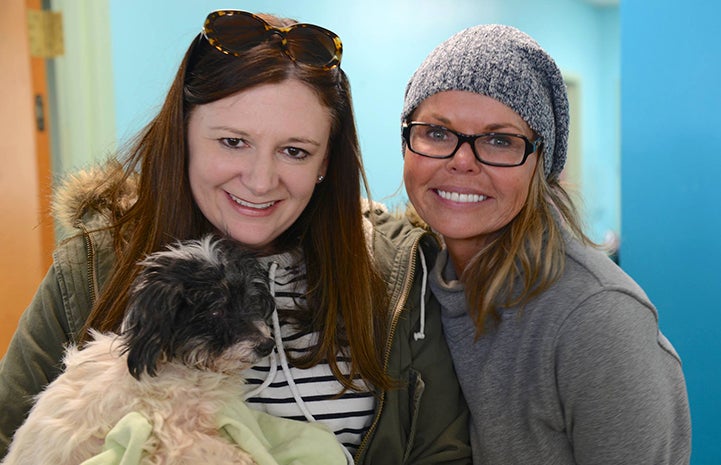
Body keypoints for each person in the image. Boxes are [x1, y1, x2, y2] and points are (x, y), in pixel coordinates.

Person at [0, 10, 470, 464]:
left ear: (325, 162)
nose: (261, 181)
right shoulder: (91, 269)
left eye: (294, 151)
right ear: (182, 135)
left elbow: (442, 455)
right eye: (232, 141)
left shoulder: (400, 273)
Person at [400, 24, 691, 464]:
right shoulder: (411, 280)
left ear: (542, 163)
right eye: (437, 133)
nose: (462, 161)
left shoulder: (596, 318)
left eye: (500, 141)